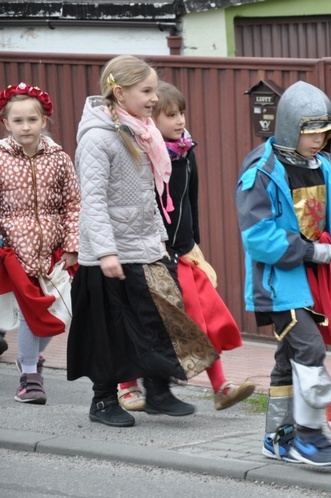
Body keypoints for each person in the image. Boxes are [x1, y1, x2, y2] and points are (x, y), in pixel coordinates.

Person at [68, 55, 218, 428]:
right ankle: (103, 401)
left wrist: (163, 241)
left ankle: (158, 392)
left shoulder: (141, 130)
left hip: (147, 245)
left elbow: (150, 194)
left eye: (154, 90)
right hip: (110, 254)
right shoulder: (97, 138)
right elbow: (94, 201)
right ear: (120, 93)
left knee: (162, 315)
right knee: (112, 329)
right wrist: (106, 253)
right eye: (146, 90)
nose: (154, 98)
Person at [236, 80, 331, 467]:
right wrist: (311, 250)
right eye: (312, 132)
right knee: (309, 349)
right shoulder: (261, 171)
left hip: (318, 281)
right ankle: (309, 439)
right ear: (291, 127)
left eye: (325, 133)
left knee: (286, 357)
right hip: (281, 284)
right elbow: (259, 238)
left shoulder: (321, 166)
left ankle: (277, 438)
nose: (319, 141)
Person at [116, 80, 255, 413]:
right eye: (170, 115)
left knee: (204, 314)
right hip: (151, 252)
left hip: (182, 250)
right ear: (151, 120)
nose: (179, 121)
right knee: (145, 321)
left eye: (181, 113)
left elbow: (189, 201)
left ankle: (220, 386)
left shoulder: (186, 151)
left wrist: (195, 244)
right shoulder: (144, 153)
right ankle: (127, 385)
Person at [0, 82, 80, 404]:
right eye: (17, 121)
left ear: (44, 120)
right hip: (12, 251)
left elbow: (73, 203)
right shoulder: (0, 158)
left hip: (53, 252)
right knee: (32, 314)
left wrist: (73, 245)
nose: (25, 127)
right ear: (6, 124)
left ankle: (30, 359)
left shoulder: (59, 158)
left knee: (61, 313)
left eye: (31, 119)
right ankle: (30, 377)